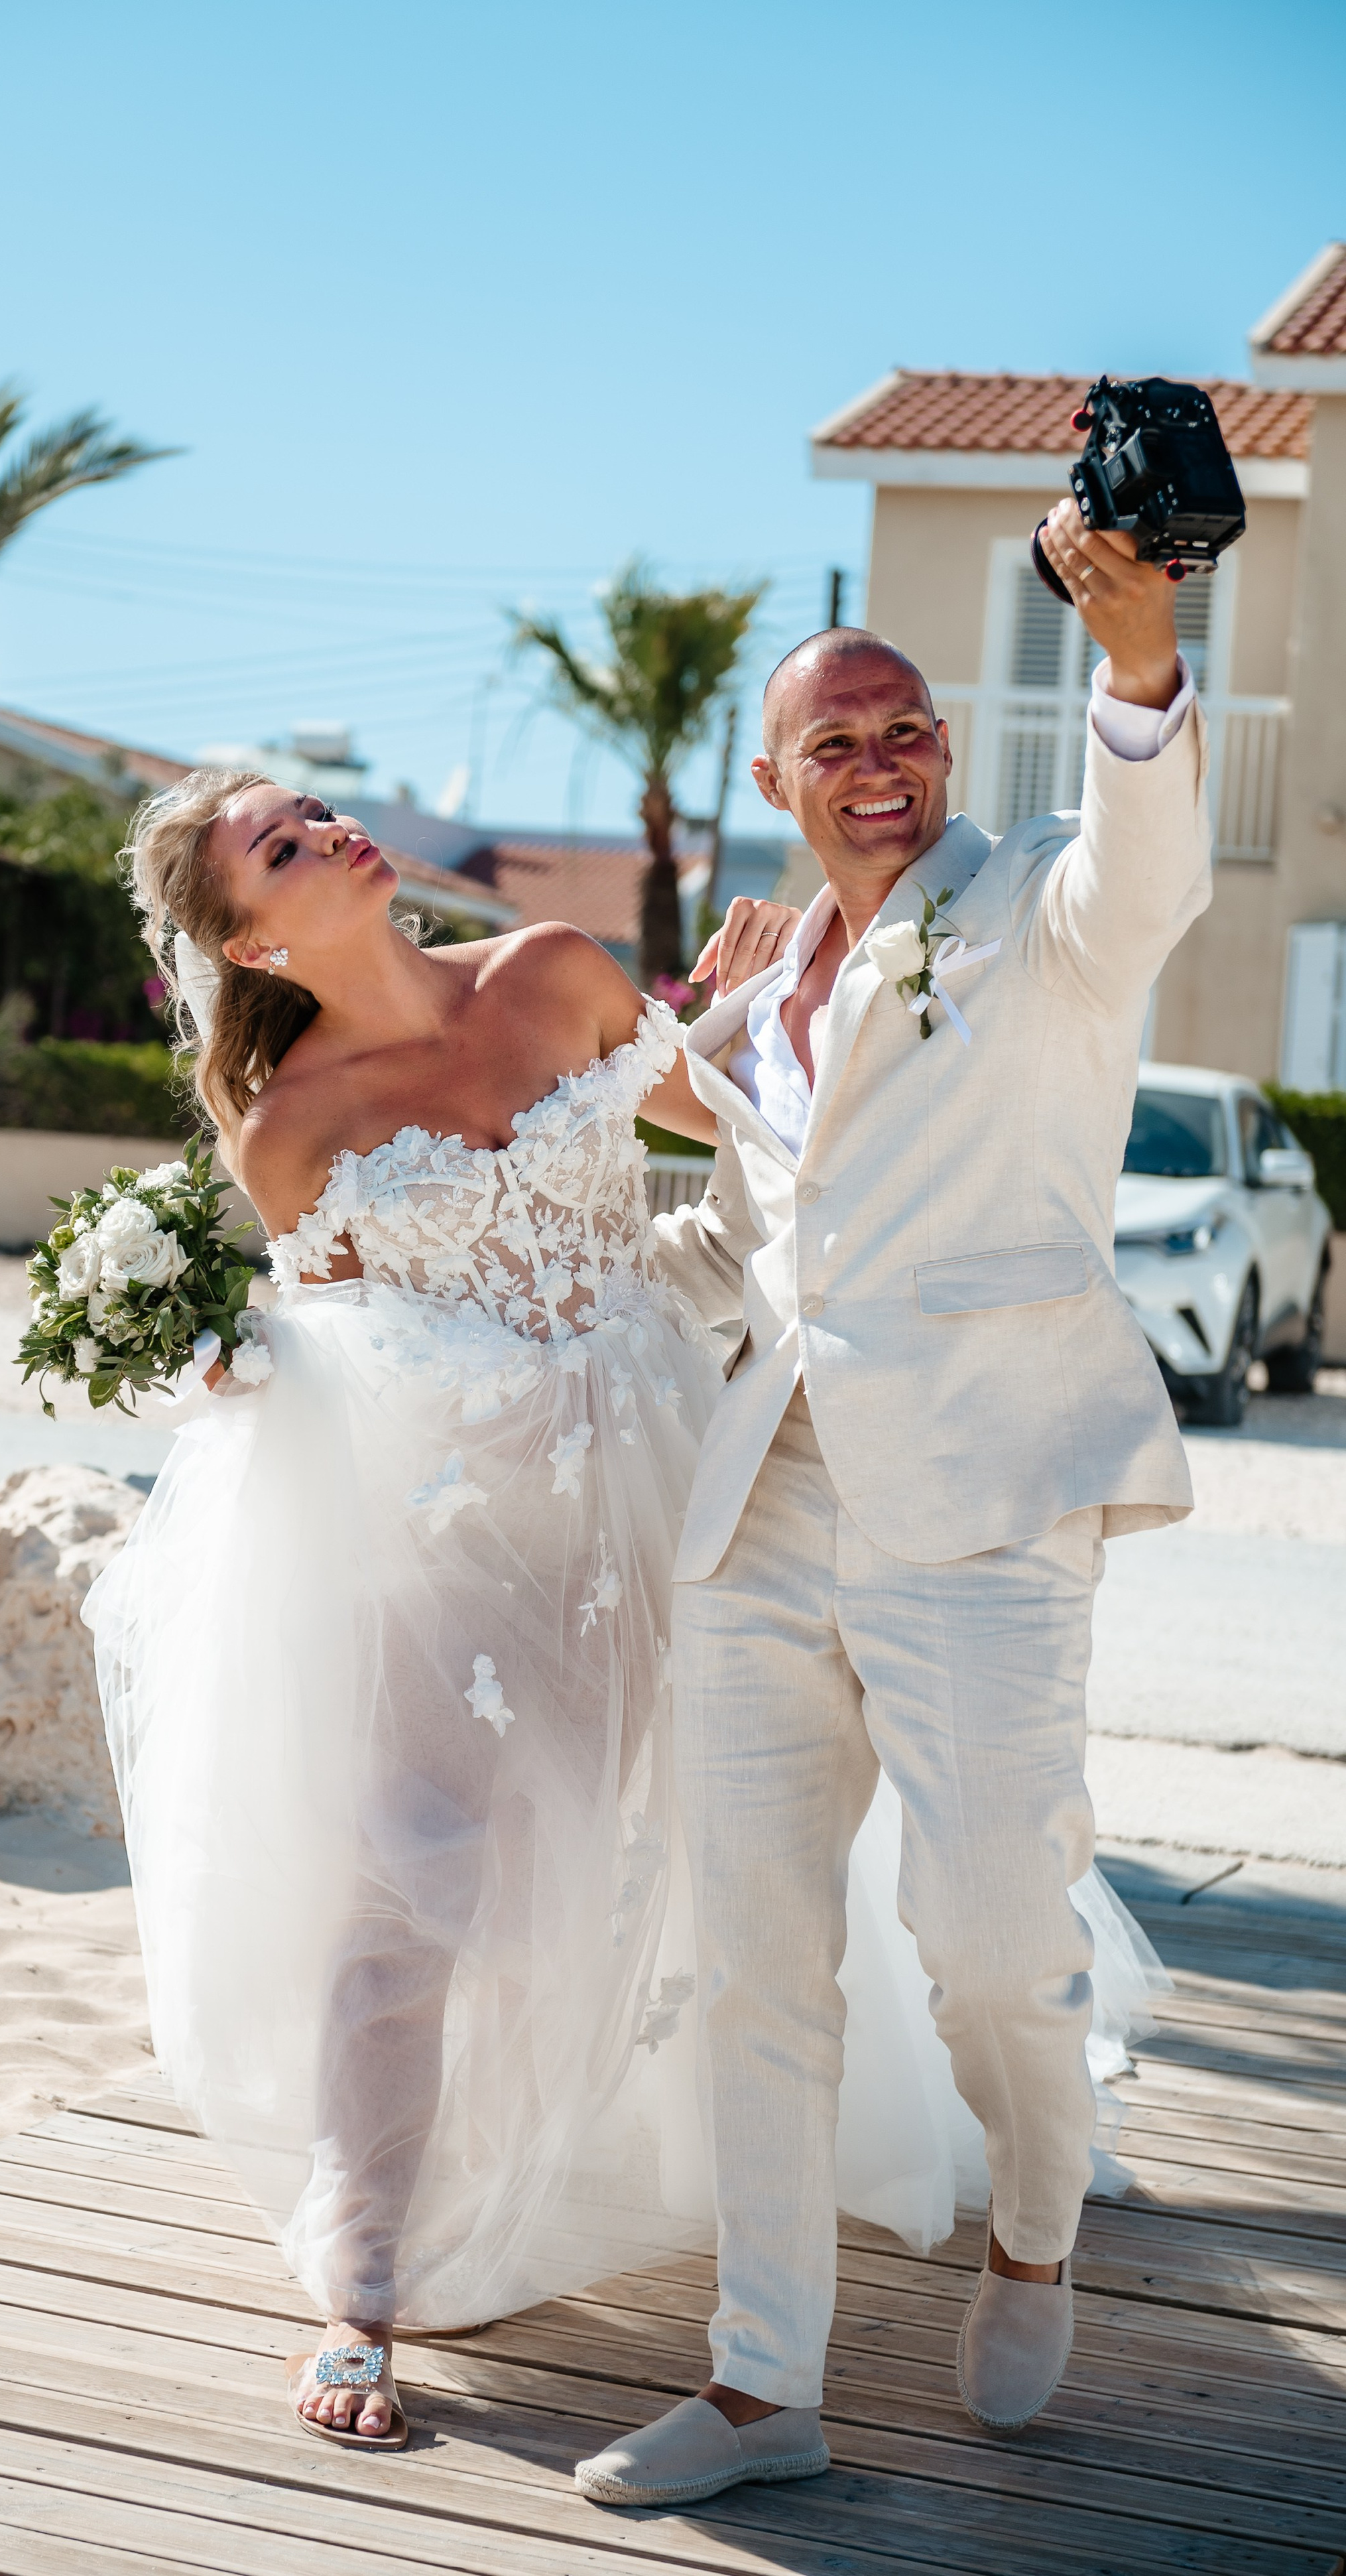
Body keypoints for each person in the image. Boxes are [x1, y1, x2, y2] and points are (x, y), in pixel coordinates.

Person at [83, 735, 1166, 2460]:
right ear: (252, 945)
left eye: (317, 809)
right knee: (406, 1874)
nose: (330, 829)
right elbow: (332, 1338)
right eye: (284, 843)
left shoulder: (553, 972)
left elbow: (762, 1147)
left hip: (667, 1469)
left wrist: (736, 1030)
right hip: (451, 1525)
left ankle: (938, 2146)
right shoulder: (288, 1126)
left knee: (730, 1846)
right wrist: (221, 1357)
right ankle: (359, 2288)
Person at [574, 495, 1211, 2508]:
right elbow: (766, 1238)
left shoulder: (1034, 908)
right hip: (760, 1509)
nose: (879, 761)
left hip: (987, 1513)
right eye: (835, 740)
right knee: (759, 1956)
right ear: (775, 780)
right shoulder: (753, 1007)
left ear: (949, 752)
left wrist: (1137, 664)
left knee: (999, 1947)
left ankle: (1033, 2229)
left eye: (907, 727)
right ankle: (767, 2385)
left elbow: (1151, 870)